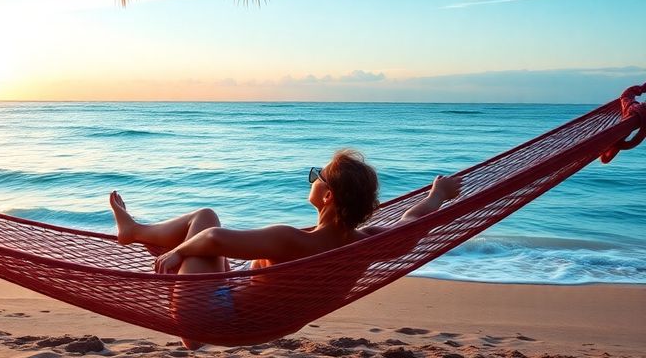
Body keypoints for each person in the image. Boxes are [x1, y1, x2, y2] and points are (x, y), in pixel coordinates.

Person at [109, 149, 461, 348]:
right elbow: (411, 226)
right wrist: (438, 196)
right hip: (266, 326)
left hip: (206, 317)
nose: (312, 179)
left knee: (205, 216)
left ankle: (135, 231)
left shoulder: (292, 240)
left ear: (328, 196)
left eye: (316, 176)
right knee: (213, 252)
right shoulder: (367, 245)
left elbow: (215, 238)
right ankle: (150, 240)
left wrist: (179, 252)